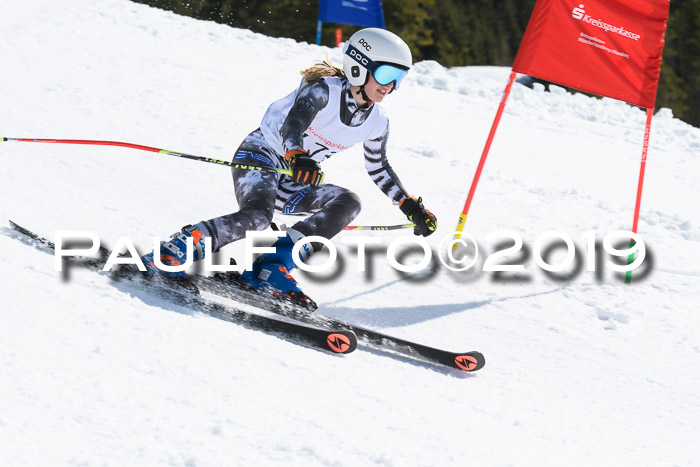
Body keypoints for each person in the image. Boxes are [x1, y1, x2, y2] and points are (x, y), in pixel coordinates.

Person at [143, 27, 437, 306]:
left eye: (399, 77)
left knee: (347, 202)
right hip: (262, 154)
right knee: (258, 216)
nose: (390, 85)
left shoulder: (377, 121)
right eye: (386, 73)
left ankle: (270, 268)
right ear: (359, 66)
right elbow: (292, 123)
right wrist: (297, 155)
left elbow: (378, 166)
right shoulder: (323, 91)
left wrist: (409, 206)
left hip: (295, 176)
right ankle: (173, 252)